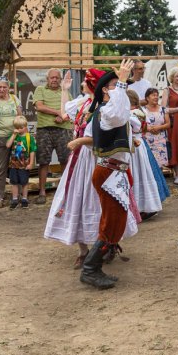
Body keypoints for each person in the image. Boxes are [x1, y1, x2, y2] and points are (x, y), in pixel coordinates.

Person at [45, 70, 138, 269]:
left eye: (87, 82)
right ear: (102, 88)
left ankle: (105, 248)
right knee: (83, 203)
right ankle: (88, 256)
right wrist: (64, 91)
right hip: (91, 161)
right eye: (116, 85)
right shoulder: (92, 107)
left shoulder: (109, 107)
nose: (84, 85)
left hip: (104, 161)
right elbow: (67, 116)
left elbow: (119, 120)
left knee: (107, 210)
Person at [80, 60, 139, 290]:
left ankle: (94, 267)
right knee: (110, 223)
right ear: (105, 90)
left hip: (115, 172)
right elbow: (118, 115)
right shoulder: (106, 112)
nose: (120, 89)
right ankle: (90, 269)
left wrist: (122, 85)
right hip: (109, 172)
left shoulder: (110, 111)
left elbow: (123, 114)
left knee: (115, 223)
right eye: (114, 85)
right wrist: (122, 83)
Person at [33, 68, 72, 204]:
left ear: (60, 80)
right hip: (44, 130)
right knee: (43, 161)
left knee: (65, 161)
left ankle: (66, 193)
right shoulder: (40, 90)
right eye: (52, 77)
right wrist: (58, 112)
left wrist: (63, 117)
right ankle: (42, 192)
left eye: (57, 77)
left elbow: (70, 109)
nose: (54, 80)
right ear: (47, 79)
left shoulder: (65, 92)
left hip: (64, 130)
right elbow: (39, 106)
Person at [127, 90, 163, 217]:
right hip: (140, 144)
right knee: (143, 174)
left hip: (134, 145)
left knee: (136, 174)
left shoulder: (131, 114)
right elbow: (145, 128)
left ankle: (140, 206)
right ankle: (145, 205)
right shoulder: (140, 112)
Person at [0, 76, 22, 209]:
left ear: (8, 88)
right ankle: (0, 198)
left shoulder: (14, 99)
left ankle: (19, 196)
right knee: (0, 169)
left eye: (4, 87)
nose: (2, 89)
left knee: (18, 166)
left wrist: (22, 134)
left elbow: (21, 117)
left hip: (16, 137)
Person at [6, 116, 36, 209]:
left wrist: (31, 163)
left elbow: (32, 151)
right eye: (17, 127)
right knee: (14, 182)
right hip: (14, 164)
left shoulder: (29, 137)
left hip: (24, 164)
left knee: (24, 182)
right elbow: (8, 145)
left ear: (26, 126)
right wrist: (14, 135)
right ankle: (14, 199)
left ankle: (24, 198)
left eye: (21, 127)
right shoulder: (14, 136)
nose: (20, 129)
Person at [143, 88, 170, 168]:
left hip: (160, 139)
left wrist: (159, 127)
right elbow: (139, 124)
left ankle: (160, 180)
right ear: (147, 98)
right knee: (149, 162)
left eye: (157, 95)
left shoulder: (163, 109)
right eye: (153, 95)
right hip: (147, 139)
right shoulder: (142, 110)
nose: (156, 97)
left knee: (160, 163)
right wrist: (149, 129)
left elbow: (168, 124)